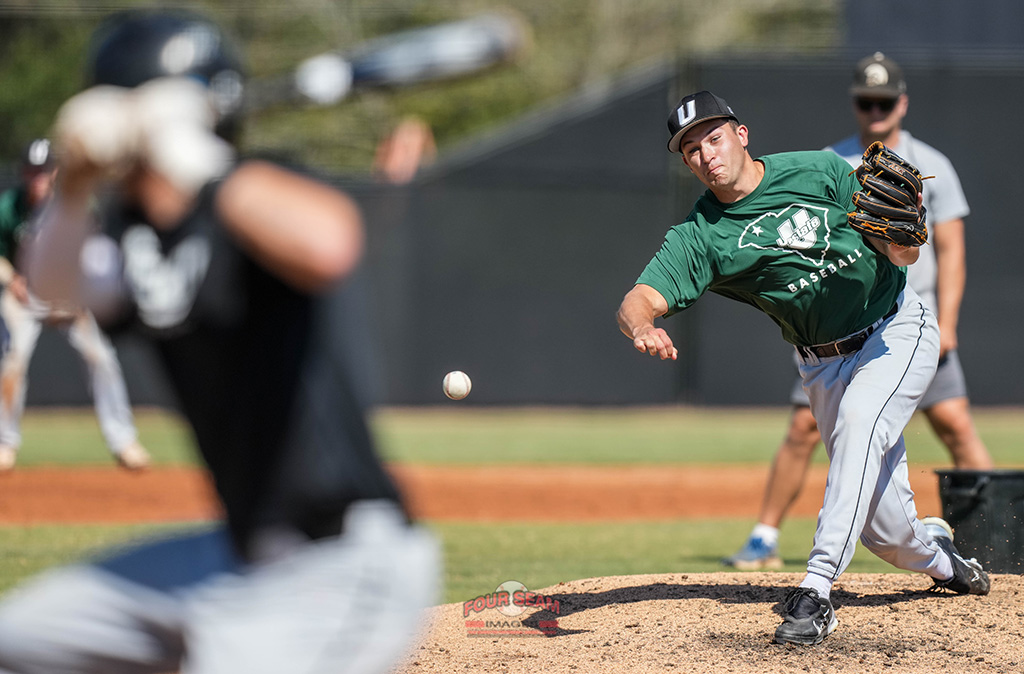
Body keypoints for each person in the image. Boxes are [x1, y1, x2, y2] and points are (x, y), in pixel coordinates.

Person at [0, 8, 438, 673]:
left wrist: (197, 160)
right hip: (237, 553)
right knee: (18, 639)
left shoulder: (256, 192)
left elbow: (329, 243)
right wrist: (76, 186)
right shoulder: (131, 236)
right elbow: (53, 284)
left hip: (344, 558)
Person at [617, 89, 990, 645]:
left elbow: (902, 252)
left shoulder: (818, 171)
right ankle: (945, 563)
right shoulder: (703, 235)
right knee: (887, 536)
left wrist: (906, 243)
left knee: (863, 419)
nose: (706, 154)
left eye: (714, 138)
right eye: (691, 149)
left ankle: (816, 592)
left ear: (741, 135)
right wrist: (643, 325)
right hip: (822, 365)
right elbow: (638, 297)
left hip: (894, 329)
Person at [724, 52, 994, 571]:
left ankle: (1002, 536)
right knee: (804, 428)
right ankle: (763, 536)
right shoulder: (832, 160)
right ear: (855, 103)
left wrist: (951, 323)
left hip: (909, 321)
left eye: (885, 101)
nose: (876, 109)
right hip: (840, 322)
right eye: (867, 101)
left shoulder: (930, 164)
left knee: (956, 424)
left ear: (902, 103)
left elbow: (953, 250)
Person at [0, 138, 150, 472]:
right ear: (23, 172)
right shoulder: (10, 206)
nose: (36, 178)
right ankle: (4, 445)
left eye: (43, 171)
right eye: (31, 171)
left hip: (71, 293)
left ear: (54, 172)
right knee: (12, 363)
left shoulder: (77, 205)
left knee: (102, 358)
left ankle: (124, 441)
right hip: (26, 296)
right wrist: (11, 279)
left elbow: (95, 254)